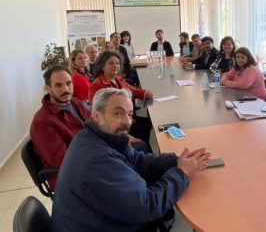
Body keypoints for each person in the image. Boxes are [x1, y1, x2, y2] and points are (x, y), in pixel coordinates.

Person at [51, 88, 211, 232]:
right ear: (97, 115)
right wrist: (182, 173)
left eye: (129, 114)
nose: (127, 121)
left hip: (97, 218)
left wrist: (175, 161)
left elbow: (136, 160)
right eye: (118, 113)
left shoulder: (95, 135)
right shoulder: (97, 160)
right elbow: (148, 206)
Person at [30, 65, 91, 190]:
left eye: (69, 83)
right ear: (48, 88)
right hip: (69, 177)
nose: (66, 89)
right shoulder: (42, 121)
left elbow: (95, 125)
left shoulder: (74, 102)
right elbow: (62, 161)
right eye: (58, 85)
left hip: (91, 159)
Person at [89, 51, 153, 150]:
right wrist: (127, 137)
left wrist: (145, 93)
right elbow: (100, 119)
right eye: (111, 63)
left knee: (147, 122)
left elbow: (133, 90)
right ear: (102, 67)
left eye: (117, 63)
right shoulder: (97, 86)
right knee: (143, 135)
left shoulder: (118, 80)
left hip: (126, 117)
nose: (115, 65)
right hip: (115, 127)